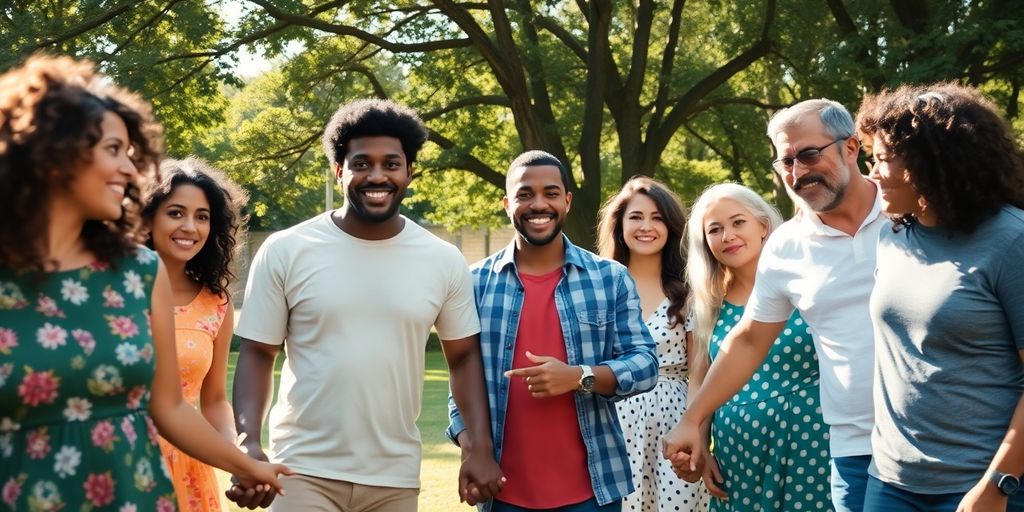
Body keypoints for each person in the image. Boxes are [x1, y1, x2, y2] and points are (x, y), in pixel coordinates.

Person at [0, 55, 288, 511]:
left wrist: (248, 464)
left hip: (139, 495)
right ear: (56, 153)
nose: (132, 172)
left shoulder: (136, 273)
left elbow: (171, 408)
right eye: (113, 150)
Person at [229, 98, 503, 511]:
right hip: (301, 471)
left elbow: (463, 358)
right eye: (361, 164)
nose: (377, 175)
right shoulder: (286, 250)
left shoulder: (443, 260)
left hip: (394, 478)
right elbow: (257, 352)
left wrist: (477, 447)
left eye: (391, 164)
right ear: (339, 171)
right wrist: (247, 444)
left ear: (410, 171)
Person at [663, 98, 885, 512]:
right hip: (850, 450)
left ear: (851, 148)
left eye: (809, 154)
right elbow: (748, 341)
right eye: (786, 161)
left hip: (932, 443)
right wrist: (693, 420)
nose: (798, 172)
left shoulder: (909, 213)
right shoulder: (787, 248)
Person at [447, 150, 659, 512]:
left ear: (567, 200)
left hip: (593, 492)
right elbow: (461, 382)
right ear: (506, 203)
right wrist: (471, 448)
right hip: (502, 493)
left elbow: (645, 365)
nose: (538, 204)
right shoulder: (473, 283)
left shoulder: (609, 278)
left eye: (550, 193)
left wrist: (580, 377)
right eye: (525, 194)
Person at [855, 83, 1024, 512]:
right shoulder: (892, 237)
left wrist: (998, 485)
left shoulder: (1011, 240)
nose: (872, 175)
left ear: (932, 162)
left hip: (983, 487)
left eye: (881, 160)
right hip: (890, 484)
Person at [678, 183, 831, 511]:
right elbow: (699, 380)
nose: (727, 236)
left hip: (812, 443)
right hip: (739, 458)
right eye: (715, 229)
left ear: (763, 226)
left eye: (737, 222)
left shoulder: (804, 284)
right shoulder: (707, 305)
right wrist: (702, 446)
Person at [595, 176, 708, 512]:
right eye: (636, 217)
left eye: (657, 217)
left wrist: (697, 431)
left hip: (675, 420)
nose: (647, 226)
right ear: (619, 225)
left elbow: (700, 371)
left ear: (672, 226)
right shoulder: (599, 286)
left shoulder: (690, 290)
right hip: (611, 421)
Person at [142, 157, 248, 511]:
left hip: (189, 472)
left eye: (202, 216)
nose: (190, 226)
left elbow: (214, 398)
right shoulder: (113, 293)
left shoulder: (216, 303)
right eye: (175, 213)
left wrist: (233, 449)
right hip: (119, 460)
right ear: (147, 217)